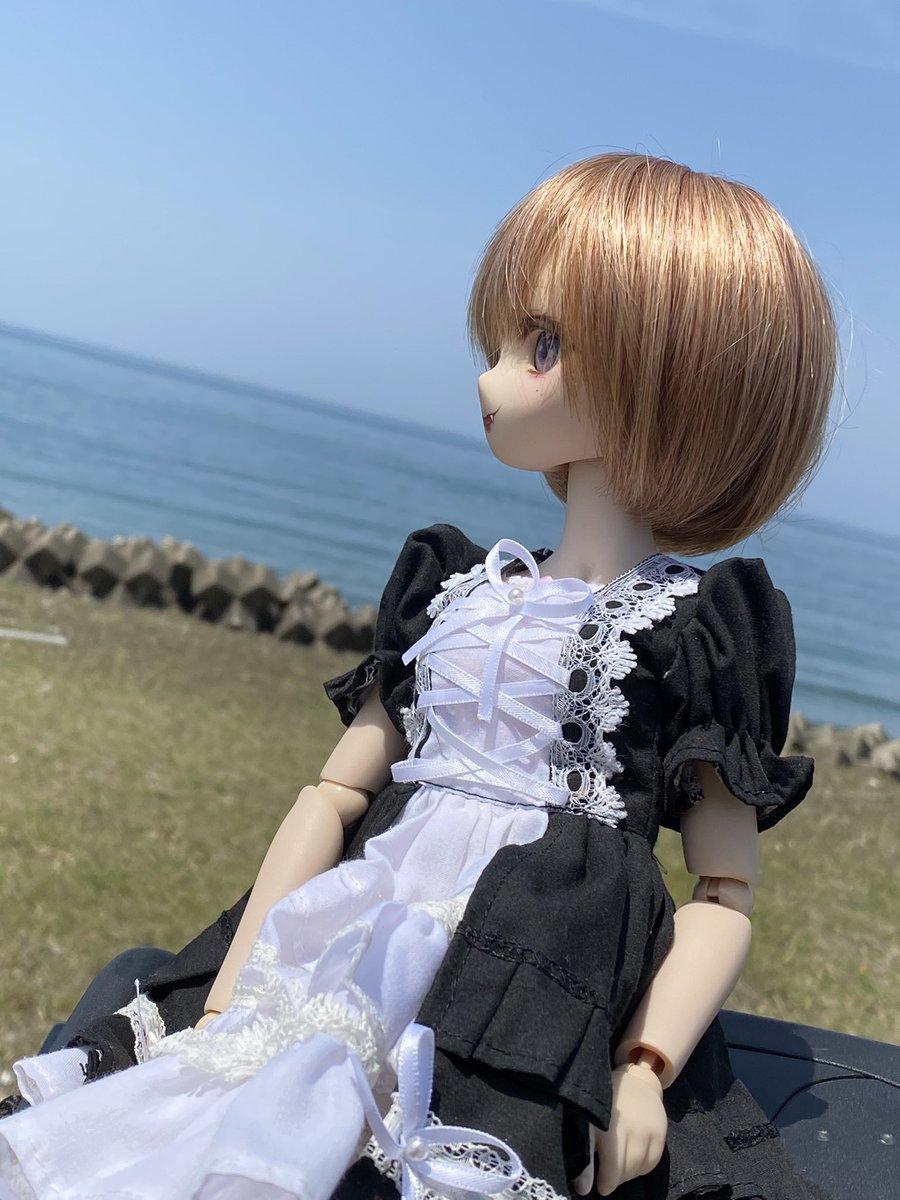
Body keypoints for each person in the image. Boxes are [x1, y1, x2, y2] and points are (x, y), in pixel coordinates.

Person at [0, 153, 836, 1199]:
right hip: (349, 935)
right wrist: (228, 989)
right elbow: (334, 794)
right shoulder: (456, 586)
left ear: (673, 374)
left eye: (542, 345)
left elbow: (723, 891)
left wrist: (643, 1065)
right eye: (505, 341)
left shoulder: (700, 630)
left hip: (526, 980)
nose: (492, 377)